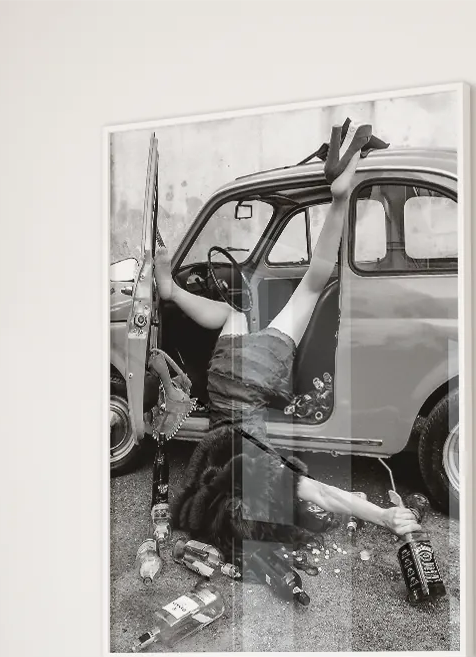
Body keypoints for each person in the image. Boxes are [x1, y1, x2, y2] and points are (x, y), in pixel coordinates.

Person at [158, 122, 418, 555]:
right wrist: (383, 517)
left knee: (311, 287)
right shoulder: (212, 482)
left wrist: (385, 517)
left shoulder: (261, 472)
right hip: (224, 381)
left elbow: (323, 494)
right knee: (236, 312)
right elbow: (319, 494)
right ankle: (173, 291)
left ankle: (339, 197)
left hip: (256, 377)